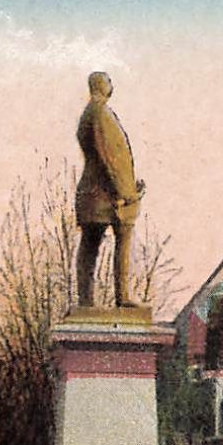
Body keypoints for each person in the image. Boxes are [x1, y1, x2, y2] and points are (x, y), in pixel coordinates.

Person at [74, 71, 145, 308]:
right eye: (108, 82)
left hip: (93, 192)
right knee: (122, 236)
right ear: (102, 85)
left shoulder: (91, 112)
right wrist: (127, 193)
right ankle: (122, 297)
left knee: (90, 245)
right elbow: (111, 158)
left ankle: (86, 301)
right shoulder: (100, 113)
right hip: (106, 195)